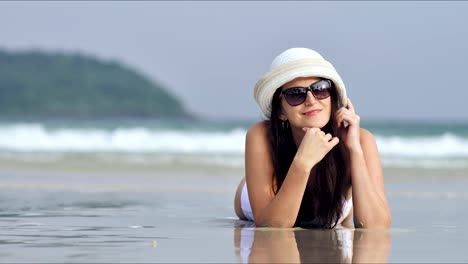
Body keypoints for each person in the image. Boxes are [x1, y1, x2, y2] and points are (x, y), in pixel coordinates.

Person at [234, 47, 391, 228]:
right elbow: (272, 226)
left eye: (320, 89)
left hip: (332, 208)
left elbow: (377, 226)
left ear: (332, 97)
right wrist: (302, 162)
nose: (311, 100)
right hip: (266, 199)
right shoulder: (260, 135)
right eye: (296, 94)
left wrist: (355, 151)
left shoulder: (361, 140)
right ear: (281, 111)